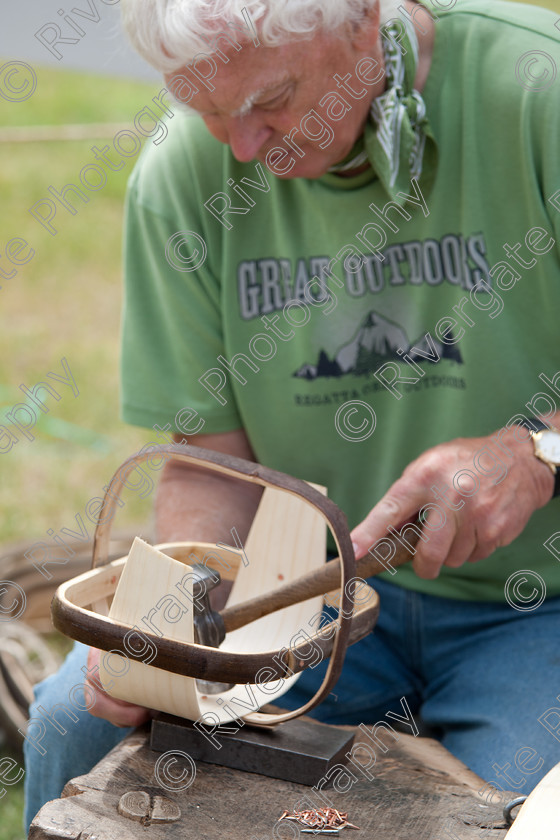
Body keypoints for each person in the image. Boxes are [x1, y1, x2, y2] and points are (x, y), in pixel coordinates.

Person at [24, 0, 560, 829]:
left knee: (521, 813)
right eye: (205, 112)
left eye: (269, 100)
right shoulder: (182, 178)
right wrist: (173, 631)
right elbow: (210, 466)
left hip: (536, 608)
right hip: (297, 604)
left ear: (360, 19)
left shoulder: (537, 92)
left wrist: (539, 451)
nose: (242, 146)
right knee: (72, 721)